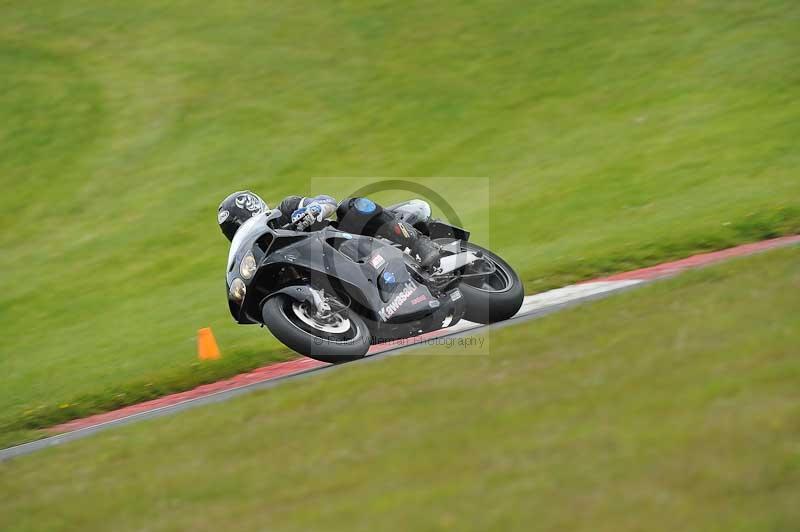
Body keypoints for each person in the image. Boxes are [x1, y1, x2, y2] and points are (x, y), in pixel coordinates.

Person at [217, 190, 442, 269]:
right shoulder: (259, 255)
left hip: (345, 240)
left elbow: (328, 202)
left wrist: (313, 211)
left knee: (350, 206)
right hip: (324, 268)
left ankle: (419, 242)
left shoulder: (283, 211)